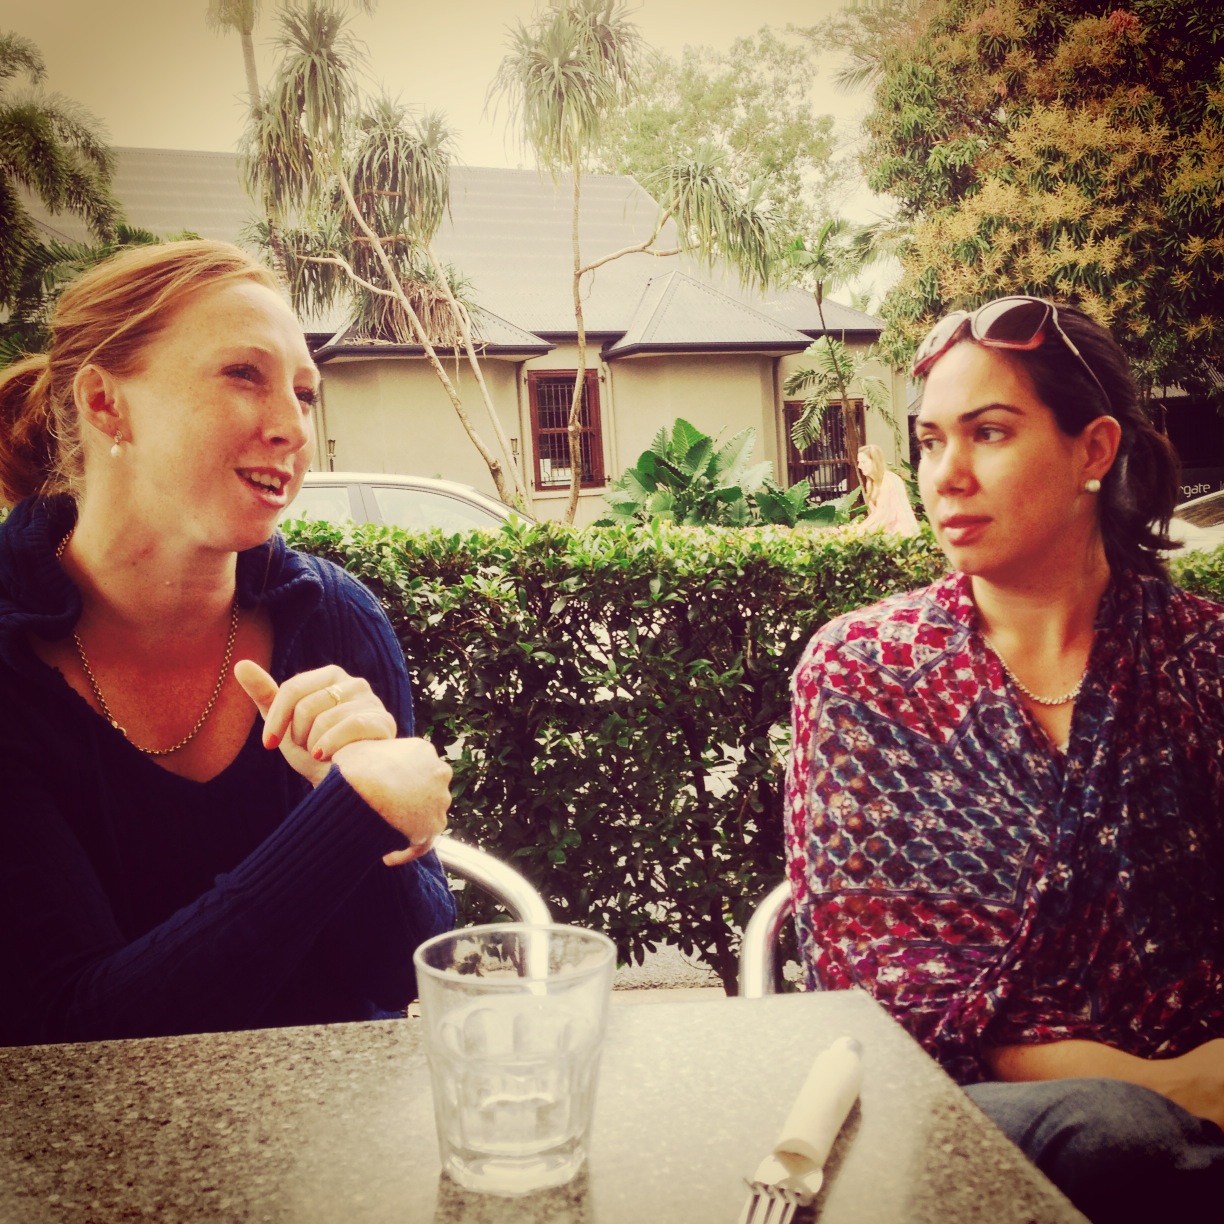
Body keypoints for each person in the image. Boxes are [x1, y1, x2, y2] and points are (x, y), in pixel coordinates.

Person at [784, 296, 1224, 1223]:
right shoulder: (867, 671)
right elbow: (875, 988)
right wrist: (1170, 1085)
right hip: (965, 1116)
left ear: (1094, 451)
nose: (947, 476)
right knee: (1117, 1136)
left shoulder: (1200, 659)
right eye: (930, 441)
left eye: (988, 433)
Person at [0, 240, 456, 1046]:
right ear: (106, 404)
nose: (291, 427)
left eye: (305, 394)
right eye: (244, 374)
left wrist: (371, 806)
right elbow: (70, 1035)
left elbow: (398, 966)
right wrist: (348, 820)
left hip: (339, 1112)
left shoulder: (335, 618)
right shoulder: (14, 664)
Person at [855, 442, 920, 536]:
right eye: (859, 462)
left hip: (902, 532)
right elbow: (876, 514)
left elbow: (883, 513)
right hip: (888, 530)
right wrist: (859, 528)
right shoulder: (872, 483)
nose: (859, 466)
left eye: (863, 462)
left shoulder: (888, 480)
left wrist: (862, 529)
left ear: (875, 462)